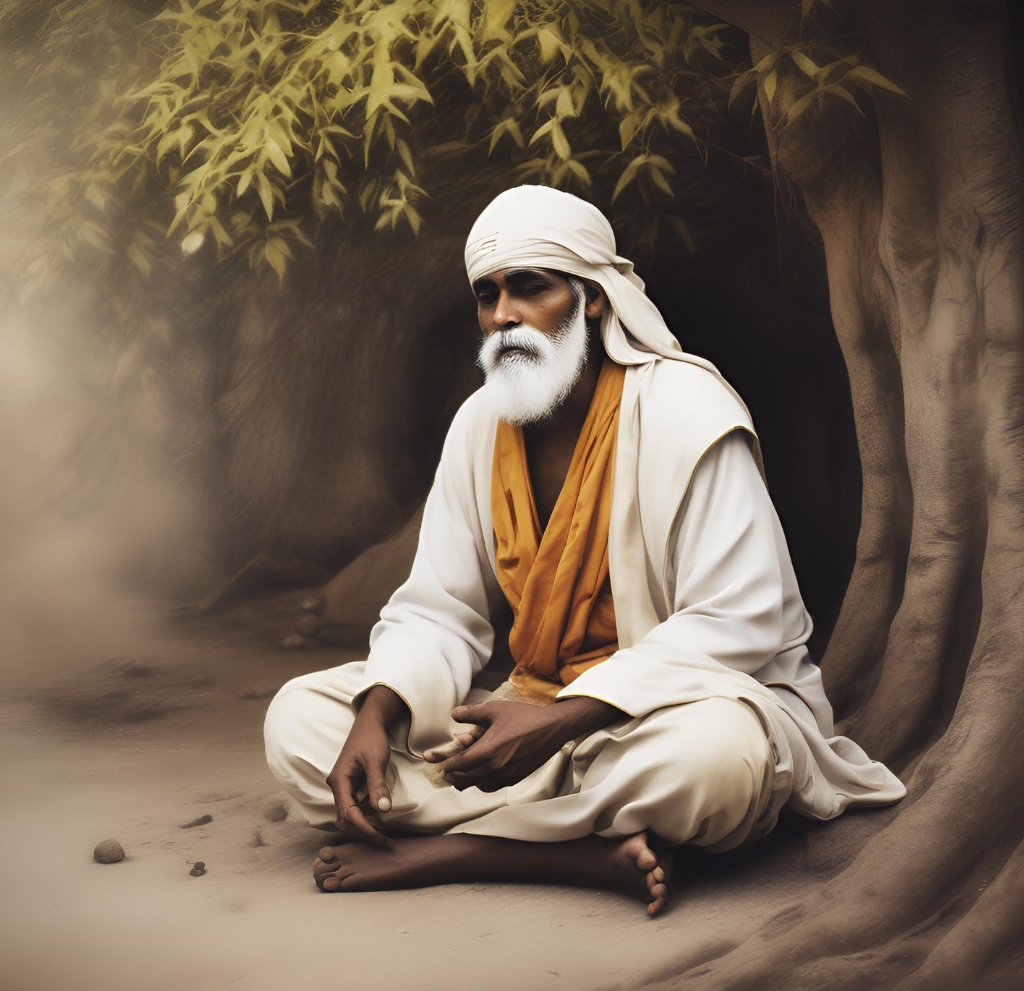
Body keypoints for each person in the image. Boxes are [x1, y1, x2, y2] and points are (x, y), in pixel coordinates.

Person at [264, 185, 905, 916]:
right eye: (488, 294)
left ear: (594, 297)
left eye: (529, 288)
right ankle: (585, 842)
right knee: (300, 721)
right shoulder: (479, 426)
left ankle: (462, 847)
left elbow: (742, 620)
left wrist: (565, 719)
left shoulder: (685, 410)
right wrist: (377, 715)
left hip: (660, 715)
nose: (502, 315)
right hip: (526, 716)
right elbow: (438, 608)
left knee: (721, 760)